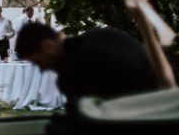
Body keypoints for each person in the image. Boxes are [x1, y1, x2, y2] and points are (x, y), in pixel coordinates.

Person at [15, 22, 159, 110]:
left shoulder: (72, 72)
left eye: (38, 62)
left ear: (48, 46)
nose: (41, 69)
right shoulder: (102, 36)